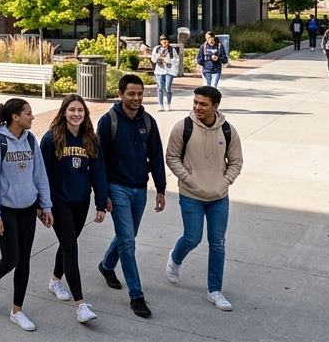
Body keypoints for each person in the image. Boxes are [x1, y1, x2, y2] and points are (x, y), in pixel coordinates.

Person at [165, 85, 244, 312]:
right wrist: (188, 178)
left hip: (219, 197)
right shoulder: (183, 127)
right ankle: (175, 259)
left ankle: (215, 291)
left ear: (215, 107)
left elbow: (236, 161)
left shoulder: (228, 131)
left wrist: (224, 181)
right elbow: (172, 157)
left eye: (203, 104)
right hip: (191, 194)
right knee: (192, 238)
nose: (198, 107)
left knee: (218, 244)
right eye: (195, 102)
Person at [97, 74, 166, 318]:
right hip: (117, 188)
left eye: (140, 94)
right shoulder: (109, 121)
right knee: (128, 241)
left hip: (140, 188)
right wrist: (102, 193)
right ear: (121, 94)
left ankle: (106, 265)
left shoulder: (148, 121)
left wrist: (161, 189)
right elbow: (99, 161)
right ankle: (137, 295)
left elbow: (156, 156)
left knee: (128, 236)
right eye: (131, 94)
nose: (136, 98)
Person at [0, 97, 52, 332]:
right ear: (15, 117)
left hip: (28, 208)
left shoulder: (31, 140)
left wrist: (46, 206)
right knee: (10, 258)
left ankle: (17, 311)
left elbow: (39, 175)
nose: (32, 117)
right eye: (28, 113)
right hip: (6, 210)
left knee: (24, 260)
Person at [40, 95, 107, 324]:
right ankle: (80, 305)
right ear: (64, 112)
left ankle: (55, 279)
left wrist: (101, 203)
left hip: (81, 200)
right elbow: (42, 174)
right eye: (72, 110)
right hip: (59, 200)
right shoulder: (52, 138)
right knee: (71, 247)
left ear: (85, 113)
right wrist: (43, 205)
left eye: (80, 110)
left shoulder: (91, 139)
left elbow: (98, 173)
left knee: (67, 243)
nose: (76, 114)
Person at [152, 35, 180, 112]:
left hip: (169, 71)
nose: (164, 42)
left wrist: (168, 61)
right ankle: (160, 105)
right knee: (160, 87)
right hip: (159, 70)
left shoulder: (172, 50)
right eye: (162, 40)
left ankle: (168, 104)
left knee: (167, 88)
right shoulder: (157, 49)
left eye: (165, 40)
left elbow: (176, 60)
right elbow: (153, 59)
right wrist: (158, 58)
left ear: (168, 41)